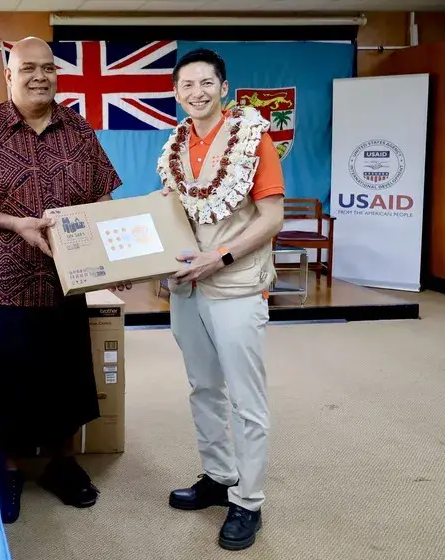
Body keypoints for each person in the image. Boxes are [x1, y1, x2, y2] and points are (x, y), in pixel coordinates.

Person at [0, 36, 122, 524]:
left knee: (67, 381)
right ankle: (9, 467)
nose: (40, 76)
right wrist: (13, 222)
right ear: (9, 75)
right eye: (28, 69)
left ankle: (62, 464)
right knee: (4, 385)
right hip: (0, 284)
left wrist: (110, 253)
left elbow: (105, 197)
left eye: (48, 68)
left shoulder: (79, 131)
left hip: (66, 282)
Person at [159, 48, 285, 551]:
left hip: (235, 282)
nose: (197, 92)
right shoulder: (172, 144)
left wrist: (222, 257)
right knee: (202, 387)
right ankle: (217, 476)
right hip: (188, 285)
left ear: (224, 88)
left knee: (246, 398)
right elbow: (168, 218)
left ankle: (248, 501)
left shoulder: (255, 139)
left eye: (207, 83)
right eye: (187, 84)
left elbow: (271, 217)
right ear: (176, 92)